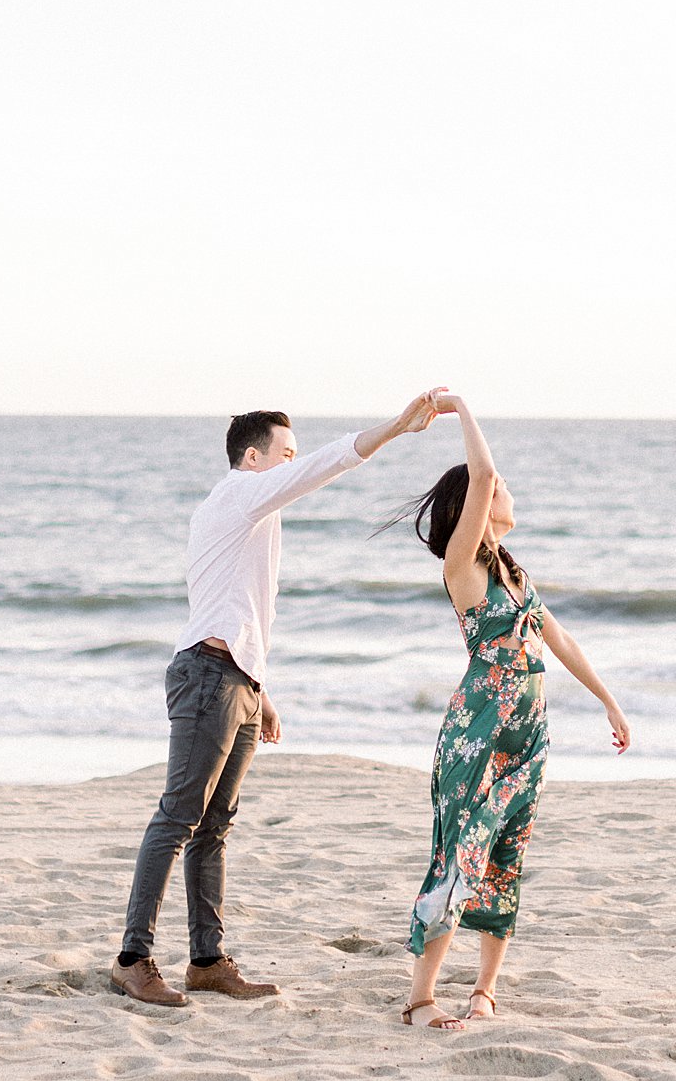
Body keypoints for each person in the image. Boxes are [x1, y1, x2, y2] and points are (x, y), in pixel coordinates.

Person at [110, 390, 444, 1006]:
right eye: (285, 454)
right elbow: (330, 463)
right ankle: (134, 958)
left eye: (295, 454)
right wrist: (398, 427)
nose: (294, 464)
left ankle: (207, 962)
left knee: (214, 825)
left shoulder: (250, 512)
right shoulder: (238, 493)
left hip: (232, 676)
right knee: (178, 818)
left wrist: (259, 688)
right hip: (208, 676)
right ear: (253, 458)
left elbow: (234, 606)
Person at [379, 390, 632, 1029]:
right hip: (479, 731)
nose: (508, 491)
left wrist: (608, 700)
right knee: (459, 852)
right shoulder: (462, 567)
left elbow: (561, 638)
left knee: (505, 856)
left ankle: (485, 990)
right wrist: (460, 407)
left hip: (528, 732)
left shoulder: (515, 574)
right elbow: (485, 472)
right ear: (480, 505)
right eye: (500, 488)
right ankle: (419, 998)